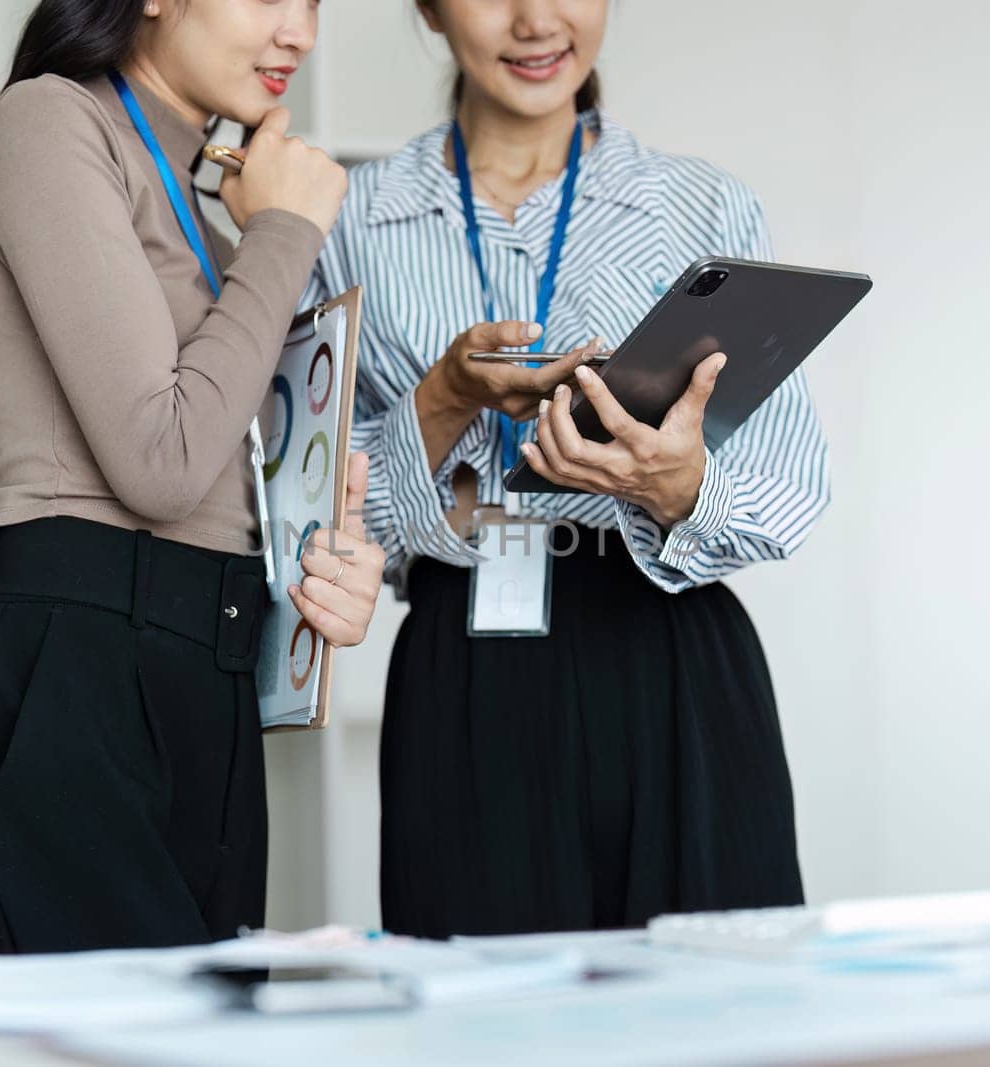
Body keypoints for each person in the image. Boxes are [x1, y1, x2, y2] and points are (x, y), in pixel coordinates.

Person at [304, 0, 830, 937]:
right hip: (465, 672)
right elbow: (310, 508)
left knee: (722, 1010)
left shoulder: (699, 205)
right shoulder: (352, 221)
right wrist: (441, 401)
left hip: (675, 663)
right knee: (485, 1021)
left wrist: (675, 485)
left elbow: (786, 481)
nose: (536, 20)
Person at [0, 0, 383, 959]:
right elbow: (160, 462)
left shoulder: (211, 205)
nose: (301, 33)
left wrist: (325, 560)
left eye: (317, 2)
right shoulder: (51, 121)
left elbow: (211, 477)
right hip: (70, 683)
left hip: (203, 687)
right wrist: (285, 232)